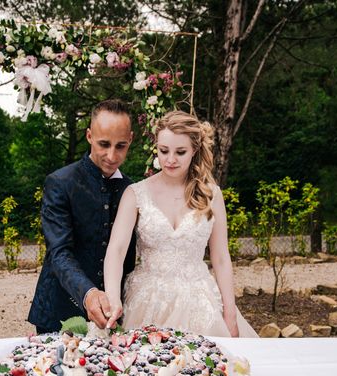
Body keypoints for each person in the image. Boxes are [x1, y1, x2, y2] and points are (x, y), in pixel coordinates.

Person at [103, 110, 258, 337]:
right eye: (164, 151)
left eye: (180, 152)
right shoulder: (135, 194)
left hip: (198, 301)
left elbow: (221, 258)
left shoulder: (211, 195)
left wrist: (230, 311)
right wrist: (113, 297)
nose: (170, 159)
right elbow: (116, 250)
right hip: (148, 301)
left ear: (194, 150)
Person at [28, 99, 137, 334]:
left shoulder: (133, 190)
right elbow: (59, 252)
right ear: (89, 136)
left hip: (115, 316)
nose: (112, 155)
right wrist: (88, 293)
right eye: (104, 144)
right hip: (59, 311)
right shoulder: (60, 183)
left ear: (131, 140)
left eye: (121, 146)